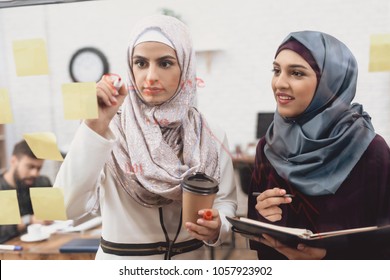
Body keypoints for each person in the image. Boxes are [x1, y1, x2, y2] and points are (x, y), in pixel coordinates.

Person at [54, 15, 237, 260]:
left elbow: (225, 202)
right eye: (140, 63)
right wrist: (94, 127)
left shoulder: (209, 133)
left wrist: (219, 226)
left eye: (165, 63)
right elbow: (65, 208)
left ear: (185, 67)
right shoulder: (109, 126)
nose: (150, 76)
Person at [247, 31, 390, 260]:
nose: (279, 83)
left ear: (330, 83)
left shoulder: (371, 151)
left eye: (296, 73)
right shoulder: (269, 147)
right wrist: (262, 218)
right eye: (276, 70)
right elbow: (260, 243)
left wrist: (328, 260)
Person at [0, 140, 52, 243]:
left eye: (39, 168)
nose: (35, 173)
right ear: (14, 161)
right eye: (30, 167)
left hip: (45, 243)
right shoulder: (2, 188)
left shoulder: (42, 182)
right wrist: (29, 220)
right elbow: (3, 231)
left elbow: (53, 214)